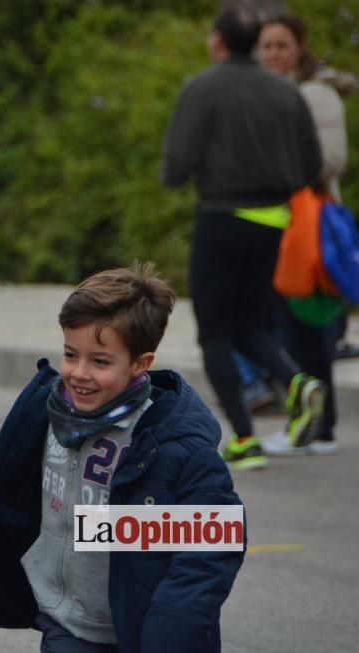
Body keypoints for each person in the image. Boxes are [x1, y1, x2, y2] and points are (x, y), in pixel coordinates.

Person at [0, 263, 245, 653]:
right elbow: (3, 461)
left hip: (148, 633)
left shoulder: (172, 443)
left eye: (100, 361)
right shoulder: (53, 414)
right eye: (71, 355)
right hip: (69, 625)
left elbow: (214, 537)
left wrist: (175, 623)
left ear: (140, 364)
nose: (79, 373)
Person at [160, 4, 326, 471]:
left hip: (221, 217)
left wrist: (183, 174)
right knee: (251, 326)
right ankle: (296, 381)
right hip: (275, 221)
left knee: (215, 333)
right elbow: (311, 166)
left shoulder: (203, 87)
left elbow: (177, 166)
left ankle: (245, 439)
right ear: (255, 43)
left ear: (217, 41)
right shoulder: (284, 91)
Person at [255, 13, 356, 455]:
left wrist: (273, 170)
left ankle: (319, 427)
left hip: (307, 226)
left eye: (281, 45)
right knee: (283, 326)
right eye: (266, 46)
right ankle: (310, 422)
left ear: (299, 47)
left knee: (307, 326)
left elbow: (331, 159)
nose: (273, 53)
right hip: (272, 224)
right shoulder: (260, 90)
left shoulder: (316, 94)